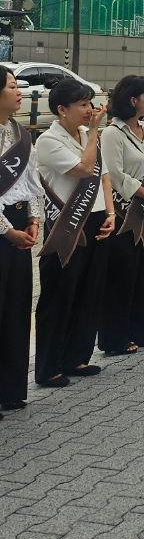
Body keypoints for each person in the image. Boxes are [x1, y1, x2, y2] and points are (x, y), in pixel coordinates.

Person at [34, 79, 115, 387]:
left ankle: (77, 357)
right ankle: (48, 367)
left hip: (95, 219)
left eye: (90, 103)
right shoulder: (48, 140)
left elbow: (103, 176)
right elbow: (84, 169)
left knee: (89, 290)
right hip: (66, 226)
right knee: (59, 295)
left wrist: (110, 213)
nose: (89, 110)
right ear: (62, 109)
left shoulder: (85, 134)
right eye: (82, 104)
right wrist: (94, 133)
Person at [99, 75, 144, 355]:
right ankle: (115, 338)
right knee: (122, 275)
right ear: (132, 99)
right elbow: (115, 175)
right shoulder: (112, 133)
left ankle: (141, 330)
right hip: (125, 212)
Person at [0, 66, 42, 414]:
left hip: (19, 225)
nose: (19, 92)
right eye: (13, 86)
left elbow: (31, 180)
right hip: (2, 228)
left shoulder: (20, 132)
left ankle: (11, 389)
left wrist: (33, 218)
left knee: (16, 308)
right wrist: (6, 230)